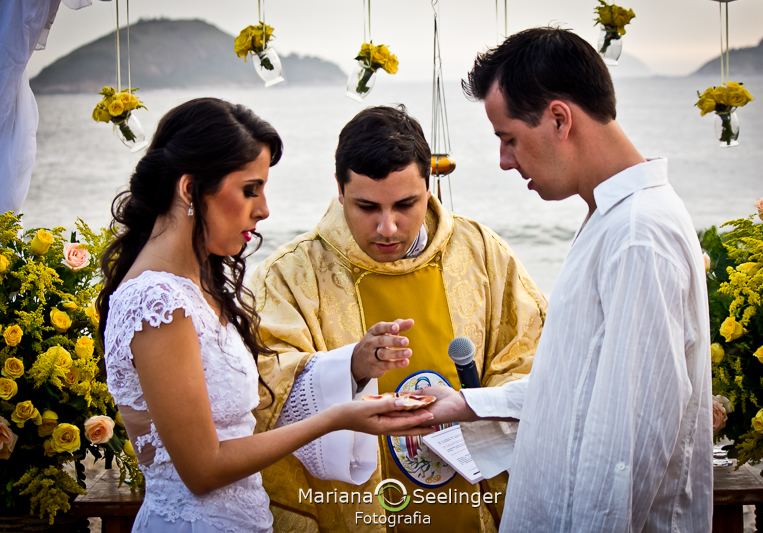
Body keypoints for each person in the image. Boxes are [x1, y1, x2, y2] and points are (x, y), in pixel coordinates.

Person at [415, 28, 714, 532]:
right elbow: (580, 390)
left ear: (559, 118)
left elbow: (627, 448)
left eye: (509, 138)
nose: (506, 161)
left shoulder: (638, 234)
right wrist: (467, 402)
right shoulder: (614, 218)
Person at [97, 98, 434, 533]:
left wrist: (353, 363)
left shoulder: (198, 284)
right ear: (189, 190)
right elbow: (203, 470)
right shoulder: (157, 302)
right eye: (250, 189)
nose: (264, 209)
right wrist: (335, 417)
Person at [247, 105, 548, 532]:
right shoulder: (291, 275)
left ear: (428, 186)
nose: (387, 227)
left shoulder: (482, 253)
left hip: (471, 499)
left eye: (405, 204)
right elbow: (259, 389)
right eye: (367, 206)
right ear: (339, 189)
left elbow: (532, 358)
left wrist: (476, 408)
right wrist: (348, 366)